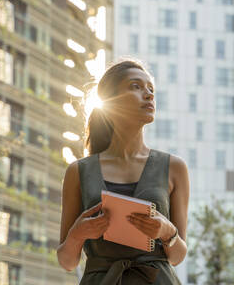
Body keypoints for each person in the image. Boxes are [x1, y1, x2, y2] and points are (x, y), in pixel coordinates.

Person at [57, 60, 190, 284]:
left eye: (151, 89)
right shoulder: (78, 171)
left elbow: (177, 257)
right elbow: (67, 262)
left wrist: (167, 231)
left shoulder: (175, 168)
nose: (148, 94)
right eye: (136, 86)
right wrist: (78, 234)